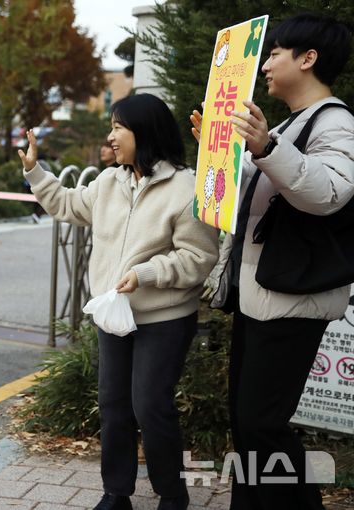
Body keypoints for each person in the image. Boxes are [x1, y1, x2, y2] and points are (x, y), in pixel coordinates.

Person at [19, 93, 219, 510]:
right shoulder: (110, 181)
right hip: (114, 313)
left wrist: (145, 273)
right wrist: (34, 170)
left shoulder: (186, 187)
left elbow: (199, 257)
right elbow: (68, 205)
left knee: (149, 404)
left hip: (164, 316)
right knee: (113, 404)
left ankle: (172, 493)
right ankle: (117, 493)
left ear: (142, 133)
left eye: (117, 127)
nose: (110, 137)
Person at [191, 14, 354, 510]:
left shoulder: (338, 122)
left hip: (293, 296)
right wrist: (216, 153)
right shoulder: (285, 125)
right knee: (248, 422)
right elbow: (255, 192)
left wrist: (265, 146)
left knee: (262, 422)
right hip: (260, 293)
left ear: (308, 59)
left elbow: (327, 194)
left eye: (276, 52)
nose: (265, 64)